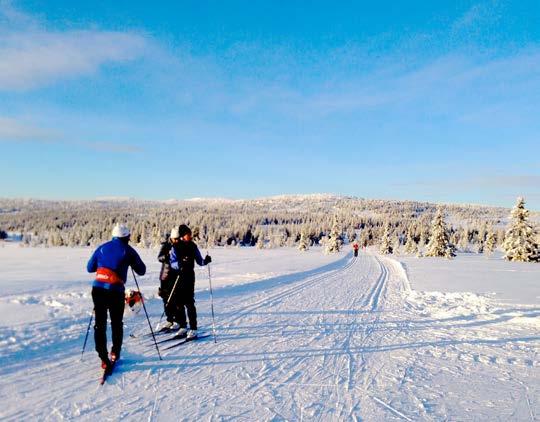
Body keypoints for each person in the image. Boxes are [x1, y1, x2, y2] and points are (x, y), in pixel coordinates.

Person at [87, 223, 146, 372]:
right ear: (127, 237)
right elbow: (142, 270)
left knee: (99, 324)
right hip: (115, 291)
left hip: (98, 289)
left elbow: (89, 268)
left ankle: (103, 358)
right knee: (116, 323)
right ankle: (115, 352)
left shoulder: (102, 248)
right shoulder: (128, 250)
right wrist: (129, 263)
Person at [171, 224, 212, 339]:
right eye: (188, 234)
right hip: (178, 277)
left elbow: (200, 261)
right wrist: (179, 264)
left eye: (190, 234)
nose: (190, 236)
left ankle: (193, 328)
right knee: (179, 303)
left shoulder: (193, 246)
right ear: (183, 236)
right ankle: (183, 326)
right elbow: (172, 262)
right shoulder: (176, 246)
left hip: (189, 277)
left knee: (189, 303)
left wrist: (206, 261)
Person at [156, 227, 181, 331]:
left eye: (177, 239)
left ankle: (178, 320)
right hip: (165, 275)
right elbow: (159, 257)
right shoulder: (166, 246)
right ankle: (169, 319)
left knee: (175, 299)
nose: (176, 241)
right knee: (165, 298)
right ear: (171, 238)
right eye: (174, 239)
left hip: (175, 276)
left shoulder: (180, 246)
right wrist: (167, 256)